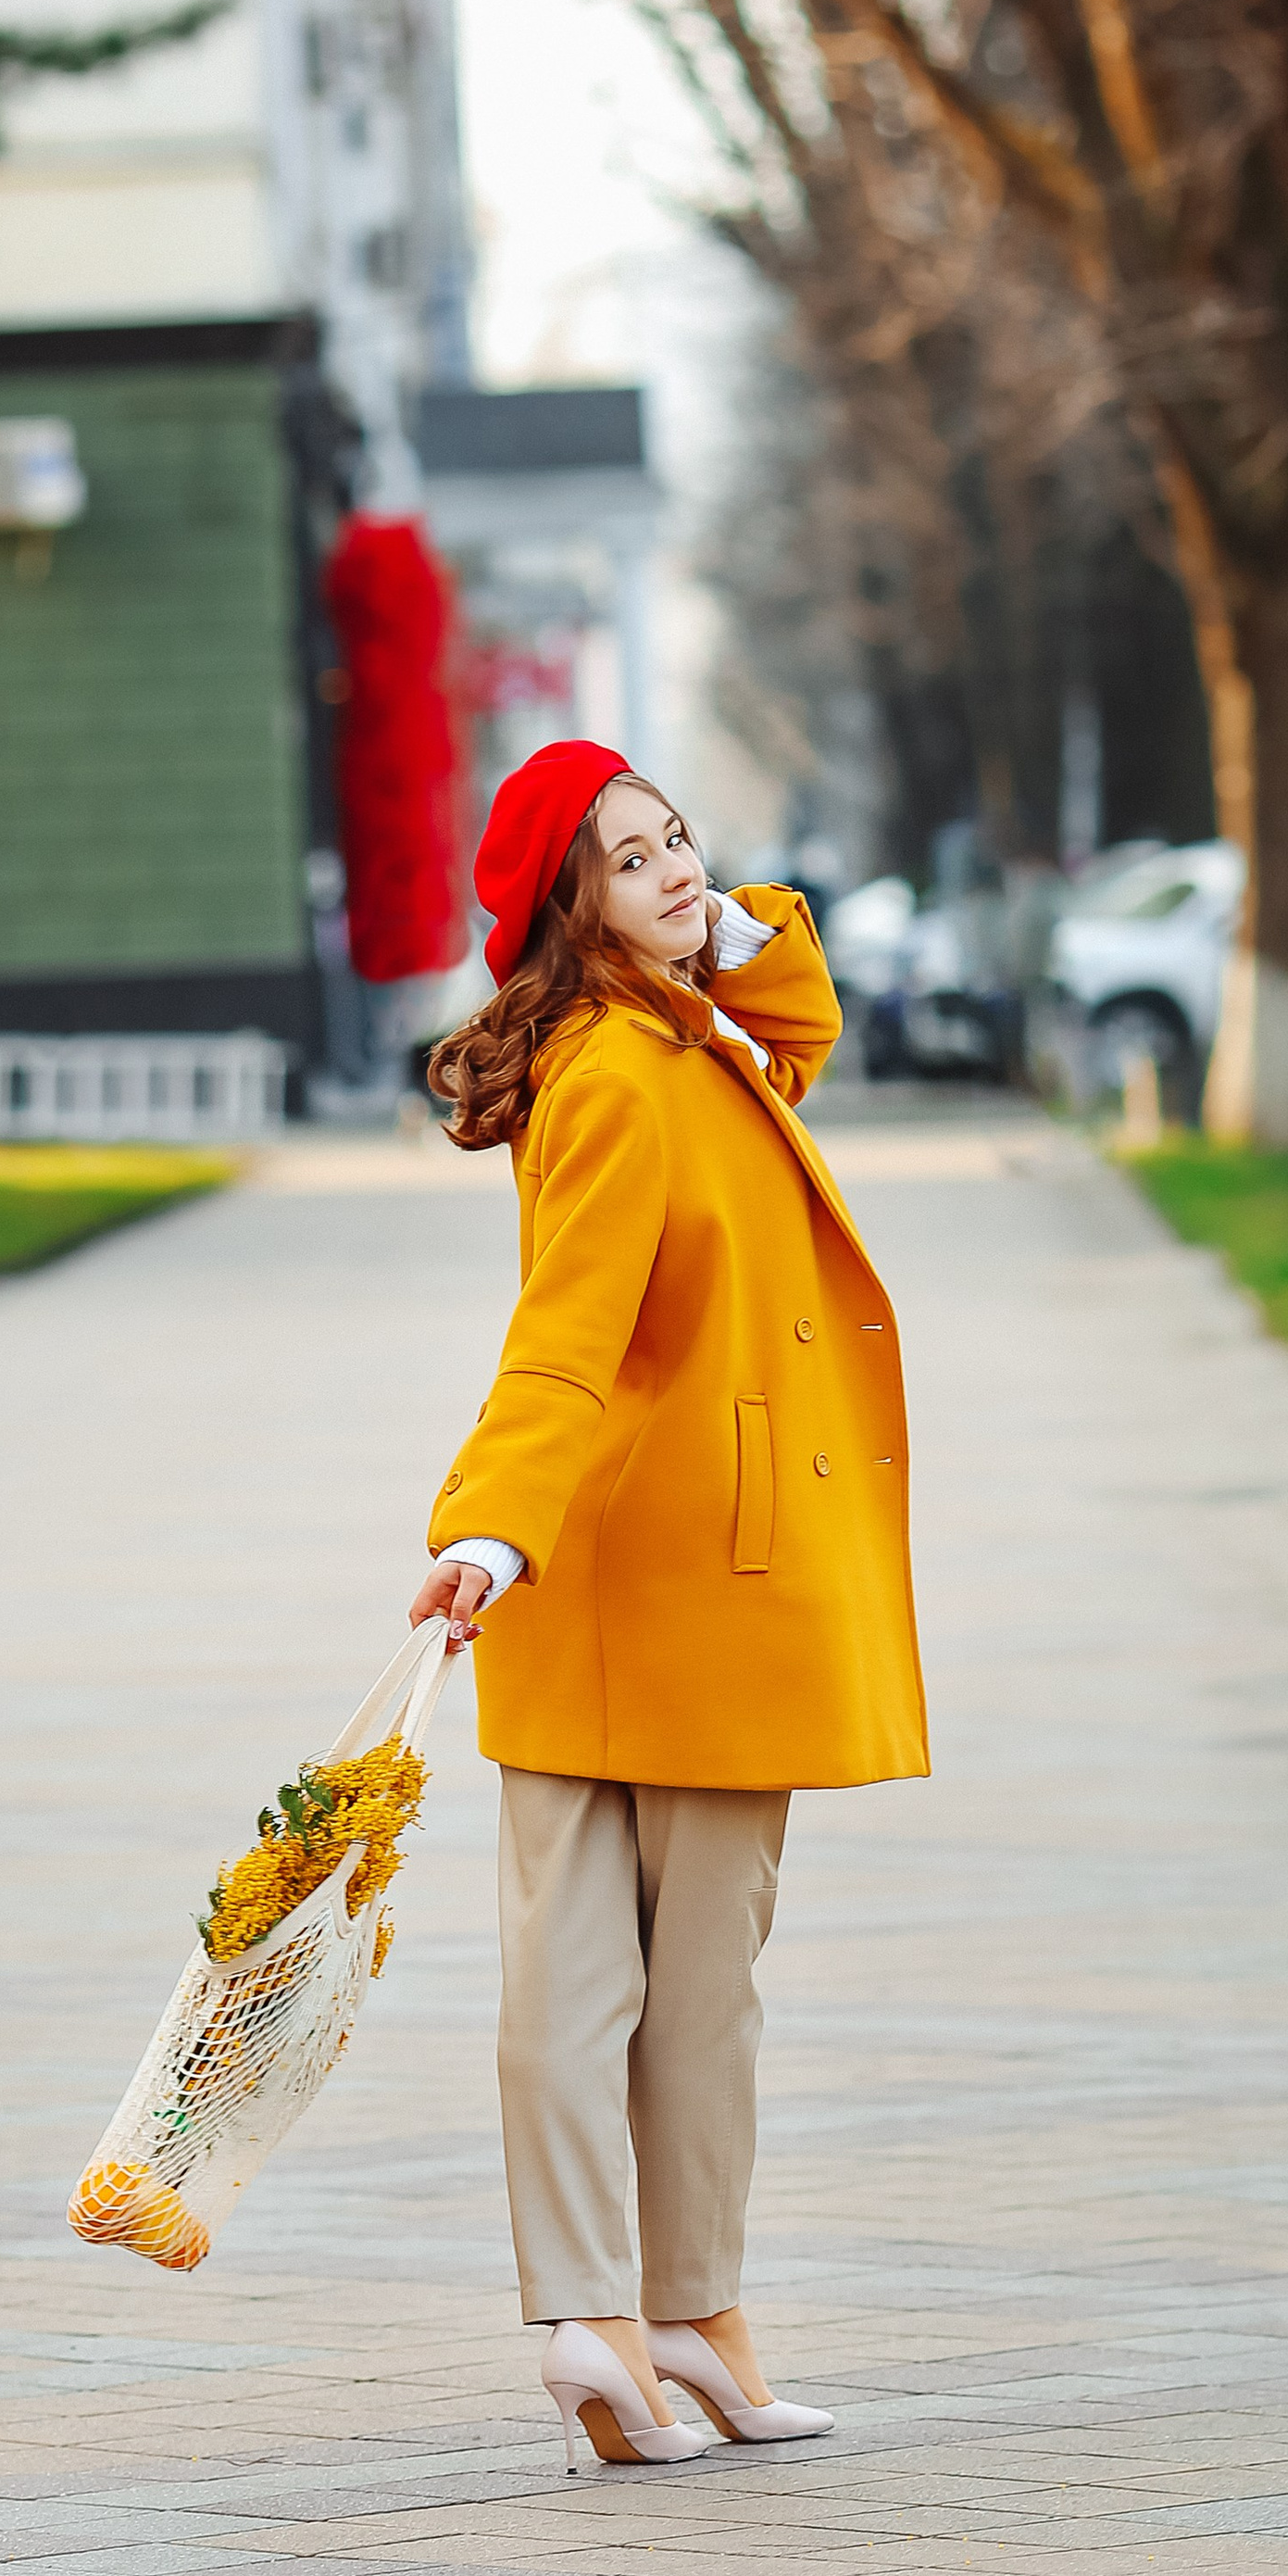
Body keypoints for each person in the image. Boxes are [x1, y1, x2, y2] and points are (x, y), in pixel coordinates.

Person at [410, 739, 930, 2469]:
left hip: (641, 1580)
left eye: (679, 834)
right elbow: (561, 1339)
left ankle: (658, 2327)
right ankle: (627, 2316)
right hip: (682, 1574)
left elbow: (805, 1023)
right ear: (574, 906)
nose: (681, 871)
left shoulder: (688, 1034)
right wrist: (483, 1529)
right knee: (635, 1988)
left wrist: (717, 935)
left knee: (657, 1986)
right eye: (632, 862)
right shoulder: (622, 1077)